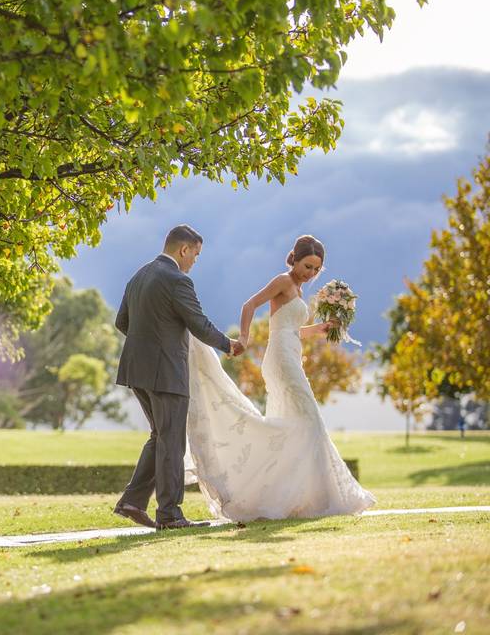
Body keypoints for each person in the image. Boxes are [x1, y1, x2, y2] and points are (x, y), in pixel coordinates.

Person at [184, 234, 376, 521]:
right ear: (295, 259)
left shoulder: (297, 289)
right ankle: (326, 497)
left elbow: (291, 330)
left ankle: (289, 498)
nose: (310, 273)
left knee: (295, 424)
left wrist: (321, 328)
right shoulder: (284, 282)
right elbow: (250, 305)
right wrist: (245, 338)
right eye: (307, 266)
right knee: (310, 420)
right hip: (281, 359)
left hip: (290, 353)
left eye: (316, 269)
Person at [112, 224, 244, 530]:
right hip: (166, 370)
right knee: (171, 441)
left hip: (136, 369)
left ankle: (132, 501)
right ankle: (170, 514)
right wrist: (229, 345)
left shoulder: (138, 276)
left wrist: (147, 341)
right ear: (183, 249)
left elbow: (122, 322)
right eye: (195, 255)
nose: (194, 261)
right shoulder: (177, 280)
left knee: (159, 436)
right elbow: (198, 323)